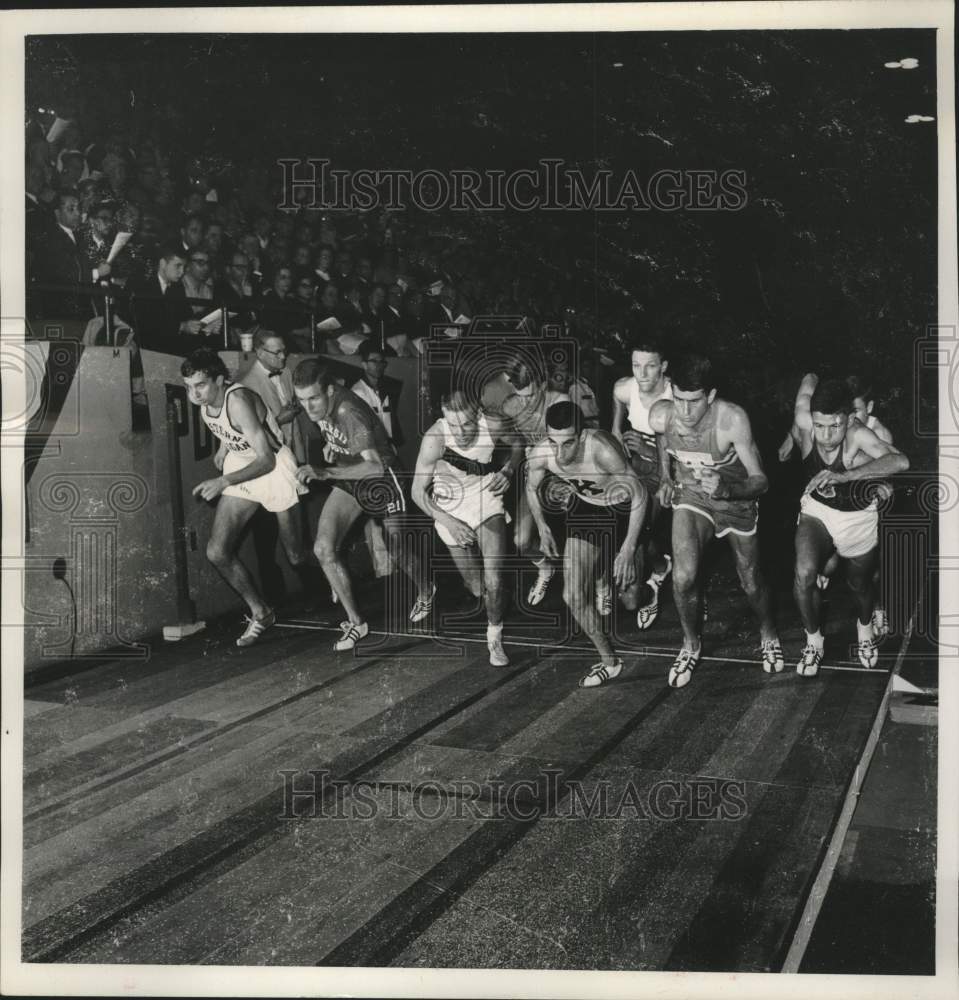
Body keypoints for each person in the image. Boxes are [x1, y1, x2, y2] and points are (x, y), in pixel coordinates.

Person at [648, 352, 783, 687]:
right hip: (693, 497)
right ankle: (691, 645)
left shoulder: (732, 420)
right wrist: (666, 478)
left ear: (710, 396)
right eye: (678, 400)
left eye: (694, 402)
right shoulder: (663, 416)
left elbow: (761, 481)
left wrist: (727, 488)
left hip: (735, 498)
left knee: (750, 581)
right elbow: (663, 442)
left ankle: (769, 633)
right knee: (683, 577)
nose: (685, 411)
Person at [291, 358, 434, 651]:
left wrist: (325, 471)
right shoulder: (321, 406)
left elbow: (375, 467)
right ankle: (357, 623)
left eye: (314, 398)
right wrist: (334, 447)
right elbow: (342, 438)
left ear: (330, 391)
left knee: (397, 548)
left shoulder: (348, 410)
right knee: (323, 548)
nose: (309, 406)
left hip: (381, 477)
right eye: (302, 400)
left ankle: (426, 589)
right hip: (350, 475)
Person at [181, 348, 311, 647]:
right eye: (189, 387)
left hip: (274, 466)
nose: (194, 394)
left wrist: (224, 479)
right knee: (217, 551)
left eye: (200, 385)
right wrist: (224, 448)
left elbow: (265, 460)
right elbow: (233, 429)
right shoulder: (207, 401)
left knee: (296, 556)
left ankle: (332, 563)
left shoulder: (237, 400)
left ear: (219, 380)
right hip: (242, 462)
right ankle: (261, 612)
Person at [788, 376, 908, 675]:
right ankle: (814, 642)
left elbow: (901, 461)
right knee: (804, 573)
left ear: (848, 418)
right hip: (819, 511)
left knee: (860, 585)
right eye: (820, 426)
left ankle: (864, 628)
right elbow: (807, 382)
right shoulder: (804, 417)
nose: (827, 435)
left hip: (857, 516)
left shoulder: (858, 434)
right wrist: (814, 375)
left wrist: (846, 476)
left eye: (835, 426)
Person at [526, 402, 647, 688]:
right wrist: (542, 527)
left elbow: (640, 496)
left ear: (581, 436)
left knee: (631, 601)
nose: (560, 452)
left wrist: (628, 550)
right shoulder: (541, 452)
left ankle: (656, 563)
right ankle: (610, 662)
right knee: (573, 595)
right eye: (553, 442)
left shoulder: (602, 449)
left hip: (624, 508)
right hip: (590, 509)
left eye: (568, 443)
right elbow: (531, 488)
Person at [412, 387, 523, 666]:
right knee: (476, 587)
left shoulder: (494, 423)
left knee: (493, 578)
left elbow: (519, 444)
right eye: (453, 424)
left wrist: (508, 470)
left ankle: (494, 636)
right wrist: (449, 521)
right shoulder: (434, 439)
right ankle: (494, 599)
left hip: (484, 497)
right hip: (448, 507)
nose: (460, 431)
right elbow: (417, 492)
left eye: (466, 423)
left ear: (479, 414)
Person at [484, 351, 569, 607]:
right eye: (522, 396)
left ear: (543, 383)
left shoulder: (560, 400)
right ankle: (546, 568)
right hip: (534, 474)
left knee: (584, 529)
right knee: (521, 541)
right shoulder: (510, 405)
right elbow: (510, 443)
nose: (527, 403)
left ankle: (599, 580)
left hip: (565, 471)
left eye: (532, 395)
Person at [611, 336, 674, 627]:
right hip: (635, 467)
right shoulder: (625, 389)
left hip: (669, 472)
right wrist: (616, 434)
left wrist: (648, 450)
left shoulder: (677, 396)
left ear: (663, 366)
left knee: (644, 527)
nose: (642, 374)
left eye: (650, 366)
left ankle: (657, 576)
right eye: (637, 366)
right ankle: (652, 568)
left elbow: (686, 453)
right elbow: (617, 410)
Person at [350, 340, 403, 448]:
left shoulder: (384, 388)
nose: (379, 365)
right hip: (371, 445)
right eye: (374, 361)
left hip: (388, 444)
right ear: (364, 365)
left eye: (381, 362)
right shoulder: (358, 391)